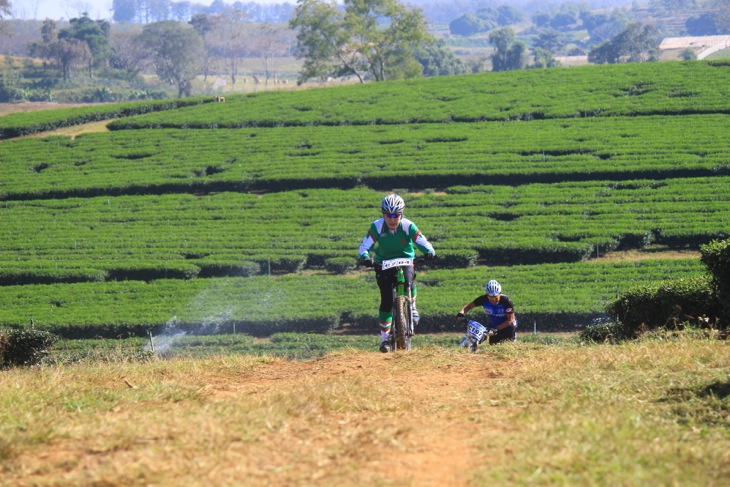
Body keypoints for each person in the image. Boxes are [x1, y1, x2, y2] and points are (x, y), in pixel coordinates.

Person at [358, 194, 436, 353]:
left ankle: (412, 306)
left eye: (396, 215)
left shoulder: (408, 226)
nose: (392, 219)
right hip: (383, 263)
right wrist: (366, 258)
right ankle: (385, 340)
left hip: (406, 260)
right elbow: (364, 247)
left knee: (409, 281)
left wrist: (429, 252)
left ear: (402, 214)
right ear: (383, 214)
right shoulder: (377, 226)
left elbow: (423, 242)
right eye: (388, 215)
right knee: (386, 300)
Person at [456, 279, 517, 349]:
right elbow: (468, 306)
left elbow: (510, 320)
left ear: (500, 293)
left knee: (508, 349)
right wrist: (461, 313)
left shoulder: (506, 301)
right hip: (493, 328)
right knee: (494, 349)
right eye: (491, 298)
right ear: (487, 295)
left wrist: (496, 329)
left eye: (496, 297)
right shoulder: (483, 299)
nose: (494, 300)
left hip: (507, 328)